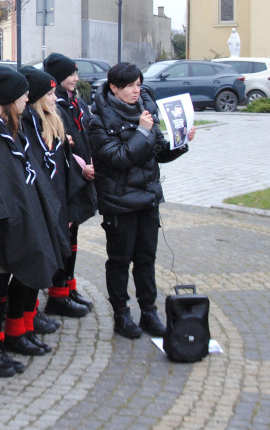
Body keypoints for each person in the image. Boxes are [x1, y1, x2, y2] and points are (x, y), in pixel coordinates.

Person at [88, 62, 193, 339]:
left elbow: (157, 150)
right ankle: (122, 315)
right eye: (131, 86)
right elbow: (119, 158)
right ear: (114, 88)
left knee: (146, 259)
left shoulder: (144, 111)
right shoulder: (98, 119)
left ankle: (149, 311)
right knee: (120, 260)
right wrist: (143, 132)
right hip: (119, 202)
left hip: (147, 198)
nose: (137, 90)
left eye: (138, 84)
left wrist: (180, 142)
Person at [0, 67, 62, 371]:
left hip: (19, 218)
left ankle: (8, 337)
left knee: (8, 283)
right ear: (9, 98)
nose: (27, 99)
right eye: (22, 94)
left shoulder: (11, 127)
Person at [43, 53, 98, 312]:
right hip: (70, 179)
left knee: (73, 235)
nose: (76, 79)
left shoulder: (76, 102)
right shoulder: (55, 106)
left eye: (76, 73)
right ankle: (57, 294)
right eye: (70, 74)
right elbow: (60, 147)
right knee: (63, 237)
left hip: (82, 176)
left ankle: (68, 286)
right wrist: (81, 167)